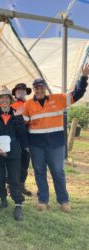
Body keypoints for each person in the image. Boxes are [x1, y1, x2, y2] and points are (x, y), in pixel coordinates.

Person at [23, 65, 89, 213]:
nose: (39, 90)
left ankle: (63, 201)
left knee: (58, 172)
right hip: (36, 145)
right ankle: (43, 200)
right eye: (36, 88)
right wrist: (26, 144)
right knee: (39, 171)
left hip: (56, 144)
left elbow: (77, 93)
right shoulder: (28, 104)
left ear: (45, 88)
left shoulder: (58, 99)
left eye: (41, 87)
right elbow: (24, 126)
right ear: (33, 89)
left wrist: (84, 77)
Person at [0, 89, 28, 221]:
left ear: (10, 100)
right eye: (2, 98)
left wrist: (18, 118)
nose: (4, 100)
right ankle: (3, 199)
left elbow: (22, 133)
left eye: (7, 98)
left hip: (14, 150)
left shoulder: (17, 114)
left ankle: (18, 204)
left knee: (14, 178)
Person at [11, 83, 33, 196]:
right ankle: (11, 186)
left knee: (25, 163)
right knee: (13, 163)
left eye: (22, 90)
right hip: (14, 138)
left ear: (26, 92)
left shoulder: (30, 104)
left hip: (28, 136)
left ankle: (21, 185)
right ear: (14, 92)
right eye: (18, 90)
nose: (20, 92)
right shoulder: (11, 104)